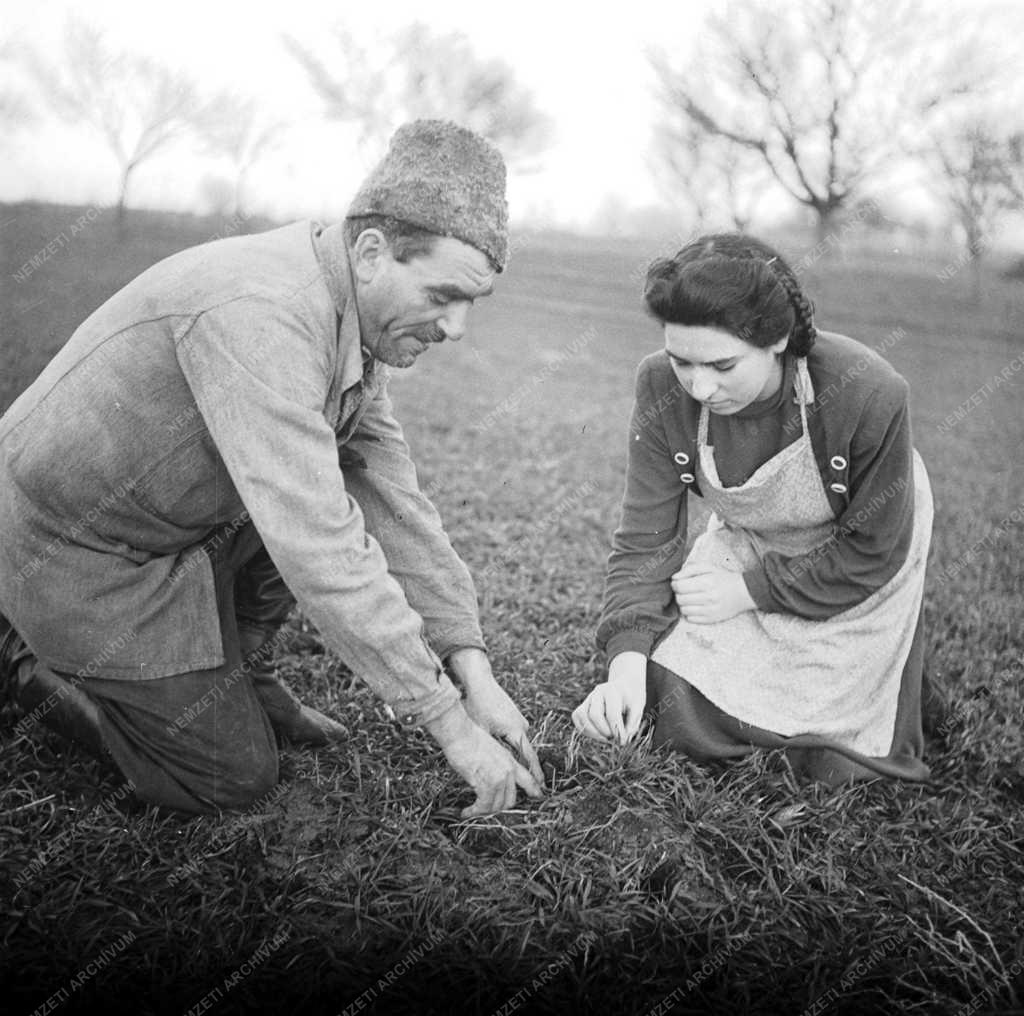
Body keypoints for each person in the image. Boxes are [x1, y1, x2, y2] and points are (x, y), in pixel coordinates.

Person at [0, 119, 544, 817]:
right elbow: (317, 543)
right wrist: (447, 723)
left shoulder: (348, 313)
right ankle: (21, 652)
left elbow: (395, 504)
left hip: (160, 528)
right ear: (372, 251)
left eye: (473, 303)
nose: (458, 328)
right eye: (442, 296)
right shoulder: (265, 315)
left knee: (323, 491)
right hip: (71, 550)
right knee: (230, 778)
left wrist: (474, 672)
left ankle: (238, 674)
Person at [572, 233, 933, 785]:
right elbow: (645, 539)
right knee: (665, 696)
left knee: (826, 747)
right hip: (754, 531)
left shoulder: (869, 392)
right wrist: (624, 667)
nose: (700, 387)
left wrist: (745, 592)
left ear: (778, 339)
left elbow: (873, 550)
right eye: (682, 362)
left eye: (722, 365)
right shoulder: (660, 386)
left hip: (858, 551)